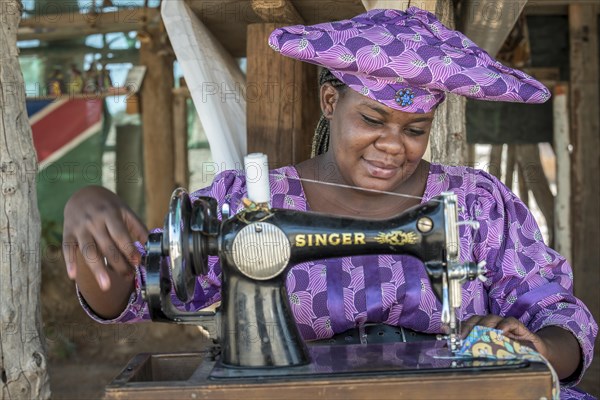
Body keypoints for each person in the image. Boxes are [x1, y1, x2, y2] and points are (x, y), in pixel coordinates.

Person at [62, 7, 597, 399]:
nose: (394, 146)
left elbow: (561, 315)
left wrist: (543, 347)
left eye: (416, 129)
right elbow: (127, 298)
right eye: (371, 120)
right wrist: (86, 208)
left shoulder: (476, 203)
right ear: (329, 101)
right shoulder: (248, 205)